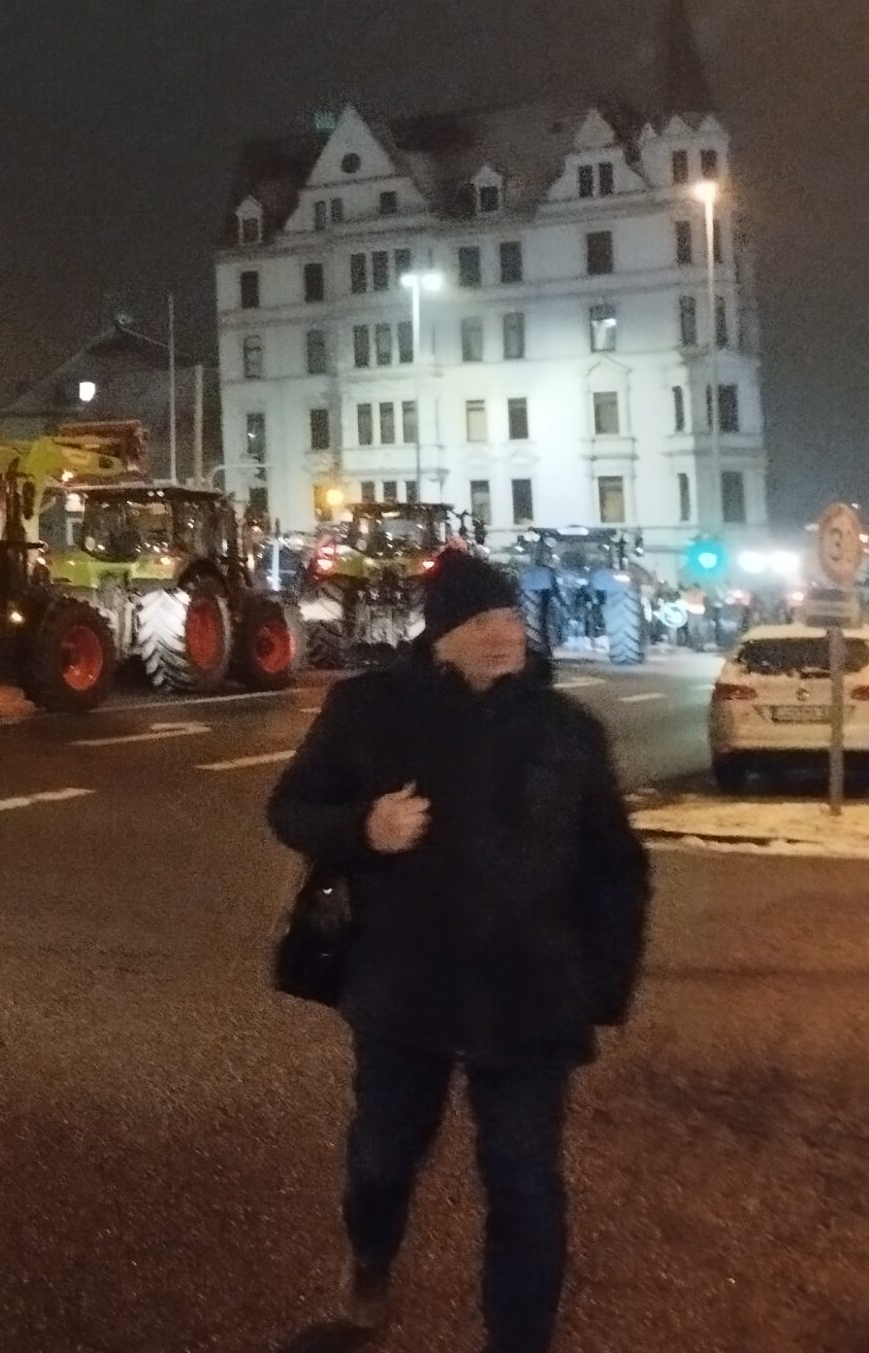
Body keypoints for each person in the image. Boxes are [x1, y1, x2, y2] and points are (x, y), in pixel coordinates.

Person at [267, 548, 649, 1352]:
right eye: (483, 620)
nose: (505, 634)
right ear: (441, 634)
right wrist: (363, 827)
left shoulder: (566, 729)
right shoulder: (369, 711)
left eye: (511, 617)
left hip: (531, 996)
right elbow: (292, 808)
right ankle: (370, 1263)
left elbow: (616, 865)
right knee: (382, 1156)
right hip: (405, 986)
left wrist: (600, 984)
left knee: (524, 1183)